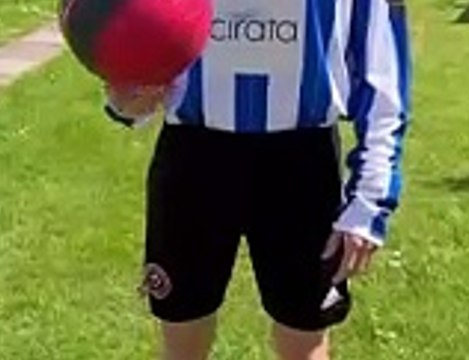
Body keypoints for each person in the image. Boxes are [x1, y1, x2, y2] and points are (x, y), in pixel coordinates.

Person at [105, 0, 411, 359]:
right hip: (195, 154)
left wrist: (370, 198)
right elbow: (134, 24)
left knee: (305, 332)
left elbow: (382, 68)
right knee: (182, 330)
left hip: (301, 163)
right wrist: (127, 94)